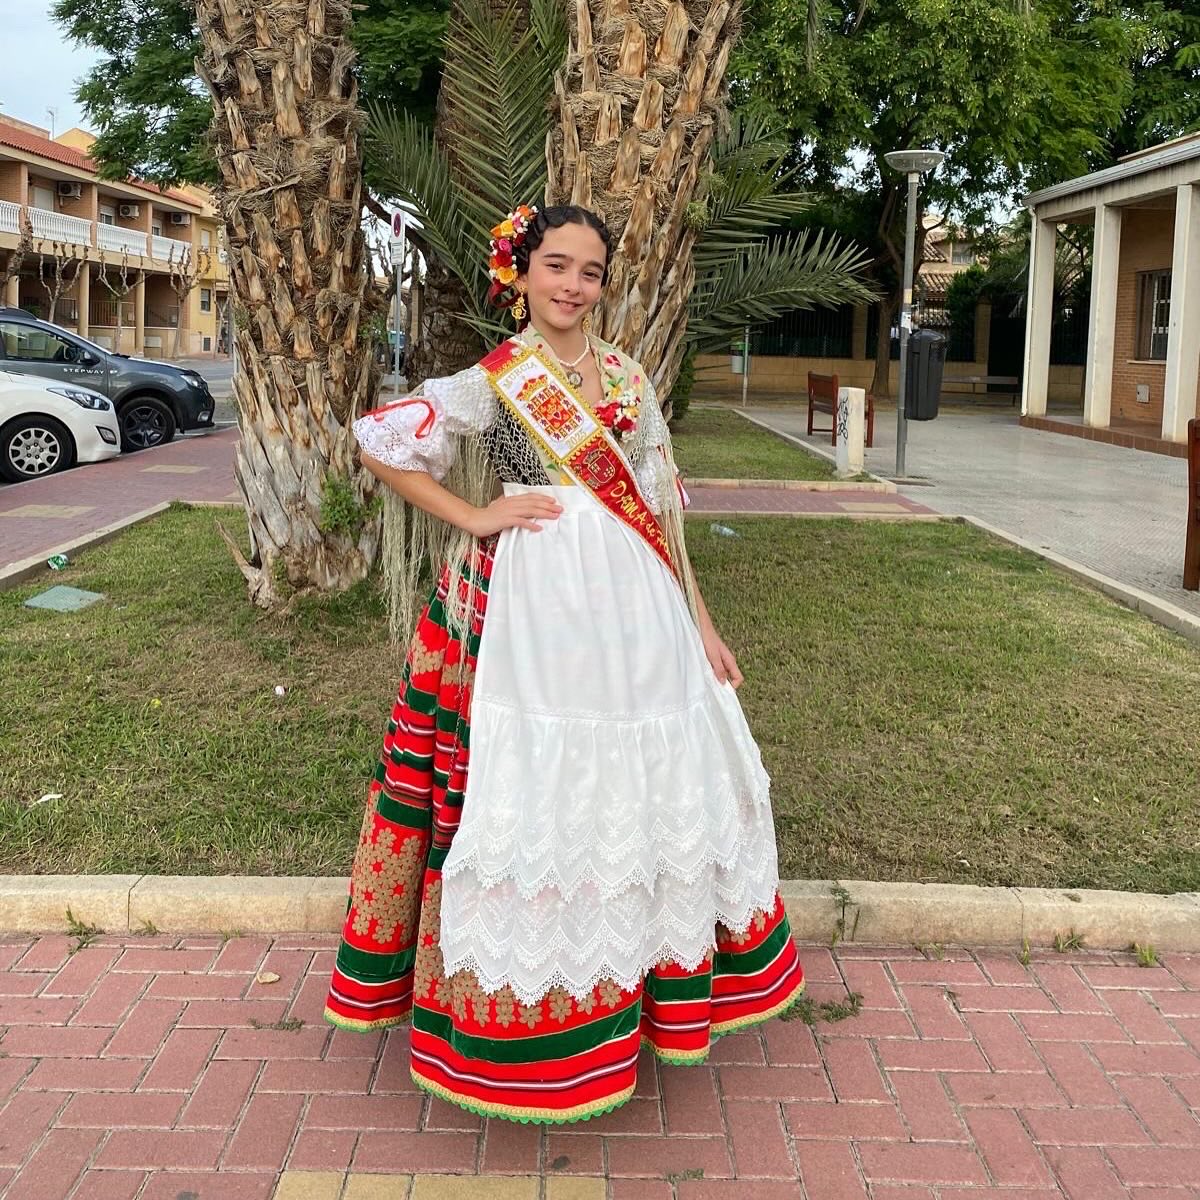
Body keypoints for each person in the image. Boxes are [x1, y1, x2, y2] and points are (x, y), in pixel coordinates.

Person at [325, 203, 804, 1124]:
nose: (572, 285)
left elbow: (661, 512)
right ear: (522, 271)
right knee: (543, 785)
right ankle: (546, 1013)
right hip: (535, 608)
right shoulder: (496, 379)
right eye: (556, 264)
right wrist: (475, 516)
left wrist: (701, 625)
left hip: (638, 610)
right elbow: (383, 439)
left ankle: (631, 989)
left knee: (638, 792)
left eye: (590, 271)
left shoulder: (629, 377)